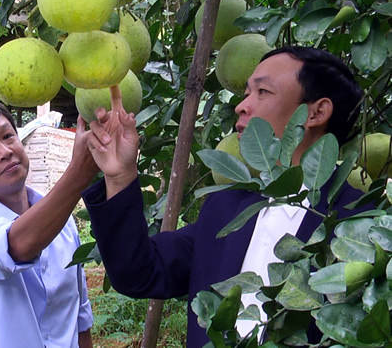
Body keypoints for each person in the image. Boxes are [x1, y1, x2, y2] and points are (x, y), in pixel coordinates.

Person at [82, 47, 367, 347]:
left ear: (316, 112)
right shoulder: (226, 209)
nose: (242, 106)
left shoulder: (360, 226)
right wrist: (119, 176)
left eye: (263, 92)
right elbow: (138, 272)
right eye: (246, 93)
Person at [0, 100, 96, 348]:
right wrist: (78, 174)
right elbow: (17, 245)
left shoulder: (63, 222)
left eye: (8, 136)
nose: (4, 151)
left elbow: (80, 316)